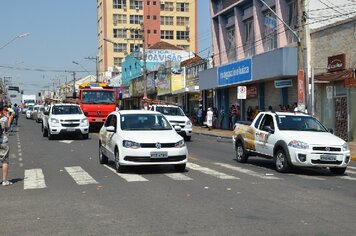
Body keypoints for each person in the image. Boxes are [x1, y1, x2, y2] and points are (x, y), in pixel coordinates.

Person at [0, 109, 12, 186]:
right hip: (2, 141)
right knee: (5, 161)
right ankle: (4, 181)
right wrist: (9, 118)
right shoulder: (3, 118)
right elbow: (7, 129)